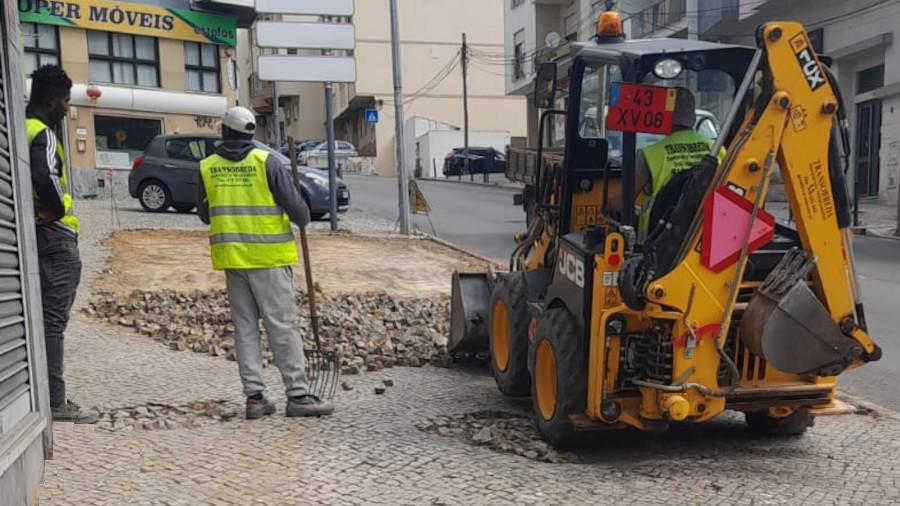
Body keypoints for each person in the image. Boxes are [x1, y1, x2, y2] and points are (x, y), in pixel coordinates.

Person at [197, 106, 334, 419]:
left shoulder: (207, 167)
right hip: (269, 260)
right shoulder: (266, 162)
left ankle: (255, 399)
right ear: (250, 134)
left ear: (223, 132)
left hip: (233, 261)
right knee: (282, 327)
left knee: (245, 329)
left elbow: (205, 214)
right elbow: (301, 215)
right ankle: (298, 395)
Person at [26, 65, 98, 424]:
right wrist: (54, 212)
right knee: (53, 323)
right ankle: (56, 401)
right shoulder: (44, 134)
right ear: (53, 101)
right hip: (57, 238)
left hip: (39, 239)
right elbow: (46, 177)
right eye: (66, 102)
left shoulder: (18, 129)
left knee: (38, 320)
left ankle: (39, 394)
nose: (68, 110)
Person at [610, 87, 723, 243]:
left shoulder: (651, 155)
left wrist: (608, 204)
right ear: (692, 116)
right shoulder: (717, 150)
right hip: (706, 239)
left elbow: (624, 201)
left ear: (664, 116)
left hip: (659, 243)